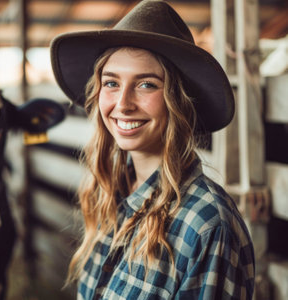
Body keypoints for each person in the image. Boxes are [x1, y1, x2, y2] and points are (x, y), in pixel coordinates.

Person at [50, 0, 255, 299]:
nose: (123, 104)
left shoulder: (206, 225)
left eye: (146, 84)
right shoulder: (110, 195)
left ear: (180, 100)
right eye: (111, 83)